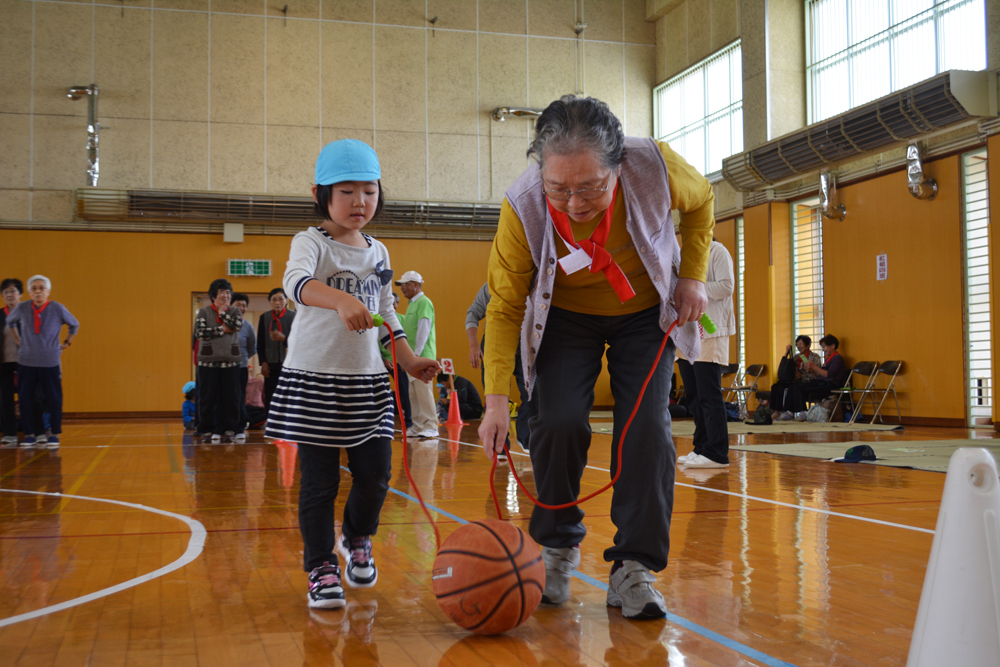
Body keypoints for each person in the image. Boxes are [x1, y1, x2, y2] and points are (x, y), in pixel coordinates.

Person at [478, 95, 714, 620]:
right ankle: (557, 545)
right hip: (564, 315)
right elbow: (503, 307)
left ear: (618, 166)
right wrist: (496, 400)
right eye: (559, 188)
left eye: (590, 188)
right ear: (541, 172)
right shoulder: (523, 205)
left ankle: (635, 565)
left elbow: (702, 203)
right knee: (556, 421)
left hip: (644, 311)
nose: (575, 204)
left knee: (648, 430)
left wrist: (693, 274)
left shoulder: (653, 163)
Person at [264, 139, 439, 610]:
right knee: (318, 483)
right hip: (315, 378)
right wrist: (341, 299)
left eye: (369, 191)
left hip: (366, 382)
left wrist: (408, 361)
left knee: (376, 476)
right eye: (347, 192)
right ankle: (320, 565)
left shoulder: (379, 252)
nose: (360, 201)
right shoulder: (311, 242)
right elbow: (295, 284)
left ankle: (357, 537)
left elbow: (387, 316)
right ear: (322, 194)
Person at [676, 239, 736, 469]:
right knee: (692, 395)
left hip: (711, 332)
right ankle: (701, 447)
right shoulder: (683, 254)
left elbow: (726, 286)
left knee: (708, 395)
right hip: (687, 331)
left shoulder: (718, 251)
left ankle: (717, 452)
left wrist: (696, 287)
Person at [7, 275, 80, 449]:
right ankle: (30, 434)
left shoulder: (57, 308)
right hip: (26, 362)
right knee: (26, 399)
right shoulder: (23, 307)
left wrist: (67, 342)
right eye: (34, 288)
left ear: (48, 291)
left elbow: (74, 324)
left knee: (53, 399)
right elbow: (10, 321)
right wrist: (17, 340)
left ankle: (54, 434)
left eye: (41, 288)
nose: (38, 291)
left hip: (50, 361)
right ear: (30, 292)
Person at [466, 282, 535, 451]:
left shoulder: (535, 284)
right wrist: (474, 346)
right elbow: (472, 314)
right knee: (495, 395)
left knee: (531, 392)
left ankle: (526, 438)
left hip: (526, 343)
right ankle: (500, 447)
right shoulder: (493, 285)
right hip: (494, 341)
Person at [194, 278, 243, 443]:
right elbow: (200, 333)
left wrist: (223, 314)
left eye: (229, 292)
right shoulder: (203, 312)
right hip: (207, 362)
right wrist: (221, 329)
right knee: (207, 397)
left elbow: (236, 326)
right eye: (222, 292)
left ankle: (230, 429)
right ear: (213, 296)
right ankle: (206, 429)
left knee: (231, 397)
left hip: (231, 362)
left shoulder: (235, 311)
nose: (226, 295)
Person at [397, 271, 439, 440]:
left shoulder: (424, 302)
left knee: (423, 392)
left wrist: (415, 355)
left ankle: (431, 426)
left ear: (415, 284)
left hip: (421, 356)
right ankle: (418, 425)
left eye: (405, 284)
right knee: (413, 393)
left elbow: (424, 329)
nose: (402, 288)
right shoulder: (411, 304)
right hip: (412, 357)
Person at [785, 334, 847, 417]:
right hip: (821, 382)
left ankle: (803, 412)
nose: (823, 349)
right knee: (793, 386)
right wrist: (812, 372)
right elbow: (819, 377)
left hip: (829, 385)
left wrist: (814, 366)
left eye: (824, 346)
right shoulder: (828, 359)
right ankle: (789, 412)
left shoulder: (838, 358)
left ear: (832, 346)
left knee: (799, 388)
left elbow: (827, 375)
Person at [257, 288, 296, 417]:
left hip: (290, 364)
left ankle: (288, 421)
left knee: (289, 394)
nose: (277, 302)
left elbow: (300, 341)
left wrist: (283, 338)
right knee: (271, 394)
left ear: (286, 300)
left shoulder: (294, 316)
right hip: (271, 364)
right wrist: (263, 363)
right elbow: (260, 343)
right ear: (270, 302)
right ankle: (271, 422)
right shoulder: (264, 317)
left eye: (280, 299)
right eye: (274, 299)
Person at [769, 335, 823, 421]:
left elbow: (816, 374)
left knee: (793, 387)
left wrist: (802, 376)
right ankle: (777, 411)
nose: (798, 346)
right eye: (797, 344)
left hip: (808, 381)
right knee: (776, 386)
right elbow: (787, 367)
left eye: (801, 344)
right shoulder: (796, 357)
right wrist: (786, 352)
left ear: (808, 345)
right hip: (795, 381)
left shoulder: (814, 357)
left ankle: (793, 412)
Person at [379, 292, 411, 429]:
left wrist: (406, 360)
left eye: (393, 303)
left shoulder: (403, 320)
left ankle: (409, 423)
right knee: (380, 392)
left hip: (398, 362)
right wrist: (383, 358)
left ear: (397, 305)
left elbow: (406, 340)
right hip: (380, 361)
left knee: (405, 391)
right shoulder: (376, 320)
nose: (391, 305)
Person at [0, 278, 24, 446]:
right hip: (4, 363)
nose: (9, 295)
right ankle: (9, 434)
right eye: (6, 292)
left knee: (29, 398)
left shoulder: (27, 314)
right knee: (5, 399)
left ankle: (32, 432)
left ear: (21, 294)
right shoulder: (0, 314)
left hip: (26, 362)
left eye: (13, 291)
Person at [231, 293, 257, 443]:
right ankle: (225, 426)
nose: (242, 308)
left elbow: (252, 348)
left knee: (239, 396)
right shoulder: (223, 323)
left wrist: (243, 357)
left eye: (244, 305)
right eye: (238, 305)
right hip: (225, 366)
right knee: (225, 397)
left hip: (241, 366)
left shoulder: (248, 326)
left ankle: (239, 428)